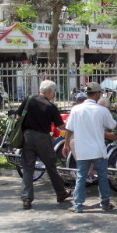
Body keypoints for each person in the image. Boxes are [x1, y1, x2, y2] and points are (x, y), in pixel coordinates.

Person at [16, 80, 73, 210]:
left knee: (28, 168)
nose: (54, 94)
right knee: (51, 166)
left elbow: (18, 117)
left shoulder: (29, 100)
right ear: (49, 92)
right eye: (54, 92)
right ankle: (61, 192)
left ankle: (26, 199)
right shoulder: (50, 107)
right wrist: (72, 126)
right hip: (43, 138)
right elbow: (61, 126)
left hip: (27, 136)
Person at [63, 82, 117, 213]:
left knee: (81, 176)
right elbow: (113, 125)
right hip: (98, 149)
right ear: (98, 94)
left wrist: (66, 144)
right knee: (102, 177)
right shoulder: (102, 110)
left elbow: (69, 130)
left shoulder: (76, 109)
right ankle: (105, 203)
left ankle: (78, 205)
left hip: (82, 149)